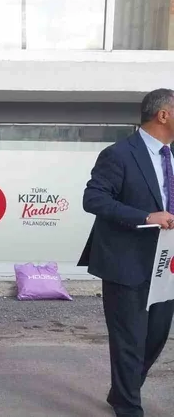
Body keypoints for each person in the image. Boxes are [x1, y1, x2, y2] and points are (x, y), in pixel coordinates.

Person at [80, 88, 174, 417]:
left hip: (165, 265)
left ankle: (123, 388)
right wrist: (146, 216)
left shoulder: (170, 156)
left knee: (156, 337)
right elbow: (93, 199)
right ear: (163, 115)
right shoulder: (119, 154)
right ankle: (128, 405)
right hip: (125, 262)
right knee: (129, 340)